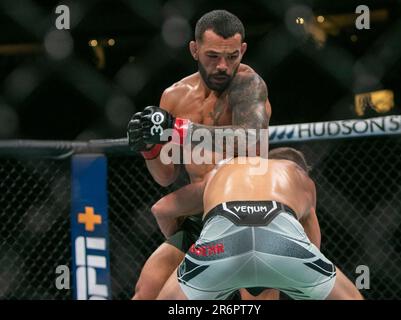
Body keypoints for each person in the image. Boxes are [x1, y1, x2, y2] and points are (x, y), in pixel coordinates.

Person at [127, 10, 275, 299]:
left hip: (250, 212)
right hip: (202, 214)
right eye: (212, 56)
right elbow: (165, 177)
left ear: (242, 50)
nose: (223, 66)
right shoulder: (174, 96)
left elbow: (252, 137)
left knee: (255, 300)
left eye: (232, 56)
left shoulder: (249, 85)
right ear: (194, 50)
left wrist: (181, 129)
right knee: (146, 291)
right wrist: (149, 149)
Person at [156, 147, 364, 300]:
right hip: (280, 236)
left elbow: (161, 210)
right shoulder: (300, 178)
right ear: (301, 168)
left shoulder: (222, 170)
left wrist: (192, 250)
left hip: (220, 241)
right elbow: (313, 243)